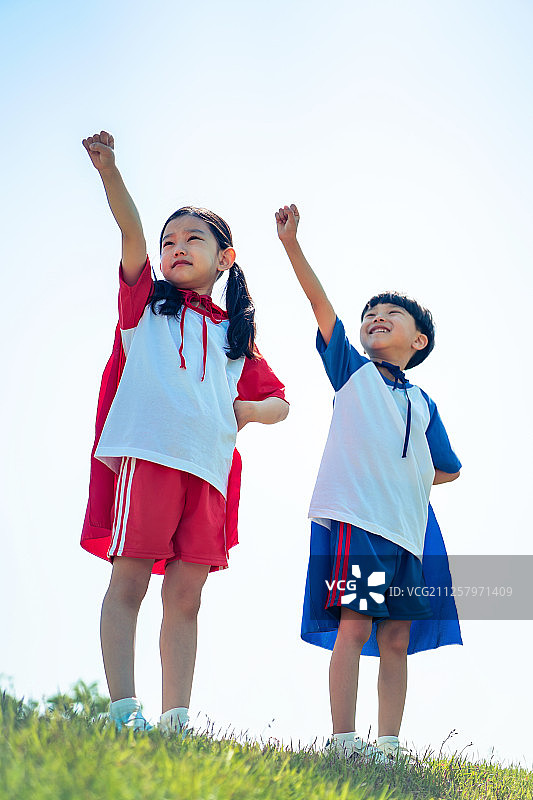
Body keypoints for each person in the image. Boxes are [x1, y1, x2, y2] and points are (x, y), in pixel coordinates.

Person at [80, 131, 289, 734]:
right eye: (170, 240)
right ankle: (125, 712)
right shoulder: (143, 305)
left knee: (187, 596)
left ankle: (175, 721)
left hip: (209, 472)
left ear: (225, 257)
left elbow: (279, 402)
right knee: (131, 579)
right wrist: (110, 172)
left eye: (193, 238)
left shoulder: (235, 337)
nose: (176, 248)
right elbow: (132, 235)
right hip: (148, 457)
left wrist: (242, 413)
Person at [276, 203, 461, 760]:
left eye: (392, 314)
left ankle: (388, 745)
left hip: (408, 535)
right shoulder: (354, 373)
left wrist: (407, 477)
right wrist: (291, 244)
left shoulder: (424, 402)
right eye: (371, 313)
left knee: (398, 639)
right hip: (359, 525)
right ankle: (342, 740)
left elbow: (448, 467)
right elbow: (319, 303)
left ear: (419, 341)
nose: (377, 317)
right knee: (354, 627)